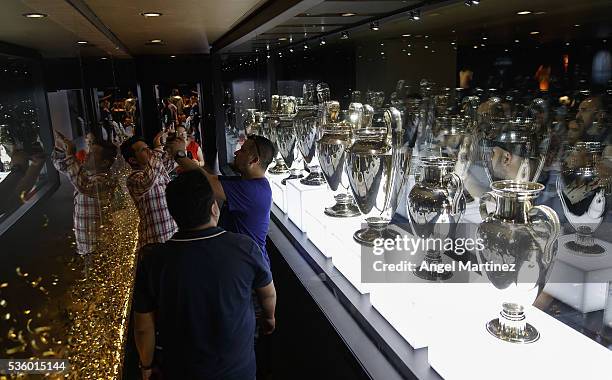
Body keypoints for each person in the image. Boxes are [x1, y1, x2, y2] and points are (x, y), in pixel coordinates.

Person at [133, 170, 276, 379]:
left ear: (173, 215)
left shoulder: (154, 261)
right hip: (238, 372)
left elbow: (144, 326)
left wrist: (145, 366)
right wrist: (269, 318)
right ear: (214, 209)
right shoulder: (244, 247)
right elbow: (268, 293)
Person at [167, 134, 276, 263]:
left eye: (242, 150)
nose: (236, 152)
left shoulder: (253, 191)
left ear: (254, 160)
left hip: (250, 267)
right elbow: (210, 178)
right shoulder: (247, 183)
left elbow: (207, 181)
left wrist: (179, 155)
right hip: (242, 261)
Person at [52, 130, 118, 255]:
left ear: (104, 163)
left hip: (100, 248)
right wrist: (60, 149)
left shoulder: (106, 180)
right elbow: (63, 167)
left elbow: (84, 185)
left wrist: (71, 155)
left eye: (92, 154)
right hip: (86, 246)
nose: (86, 155)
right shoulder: (85, 174)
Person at [120, 133, 177, 251]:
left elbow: (173, 161)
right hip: (153, 243)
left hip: (173, 236)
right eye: (143, 150)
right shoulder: (133, 179)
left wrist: (173, 142)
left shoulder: (156, 168)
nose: (149, 151)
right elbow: (148, 180)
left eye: (148, 147)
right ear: (133, 160)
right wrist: (157, 149)